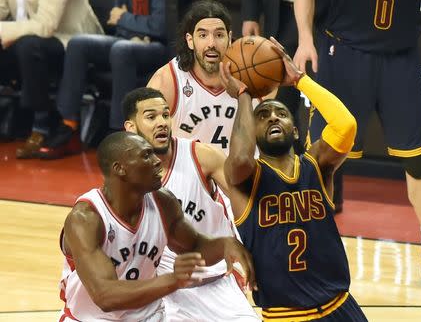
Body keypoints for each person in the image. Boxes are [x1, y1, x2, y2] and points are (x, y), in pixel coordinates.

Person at [294, 0, 421, 290]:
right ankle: (310, 247)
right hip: (343, 50)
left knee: (417, 159)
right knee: (322, 157)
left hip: (401, 57)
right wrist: (304, 38)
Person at [220, 36, 367, 321]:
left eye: (281, 114)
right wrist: (243, 97)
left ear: (295, 130)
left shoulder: (317, 166)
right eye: (263, 116)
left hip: (341, 307)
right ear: (252, 132)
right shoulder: (245, 178)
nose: (273, 118)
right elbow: (239, 159)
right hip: (286, 316)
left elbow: (346, 126)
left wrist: (300, 80)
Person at [58, 131, 255, 321]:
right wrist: (172, 280)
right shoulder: (86, 218)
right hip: (90, 318)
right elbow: (105, 296)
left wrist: (225, 245)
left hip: (149, 316)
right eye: (146, 156)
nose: (157, 161)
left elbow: (195, 247)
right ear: (120, 168)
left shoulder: (163, 202)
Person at [122, 86, 259, 321]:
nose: (162, 122)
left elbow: (251, 203)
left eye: (166, 114)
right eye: (151, 117)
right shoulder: (125, 174)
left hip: (217, 283)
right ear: (131, 127)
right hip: (166, 294)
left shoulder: (200, 156)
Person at [37, 0, 168, 159]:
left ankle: (119, 134)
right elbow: (114, 18)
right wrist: (126, 20)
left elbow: (159, 27)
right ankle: (69, 126)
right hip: (127, 39)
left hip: (159, 46)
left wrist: (124, 18)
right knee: (78, 44)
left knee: (121, 50)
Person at [147, 0, 259, 154]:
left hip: (245, 175)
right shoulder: (168, 80)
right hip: (190, 176)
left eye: (219, 35)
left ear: (229, 38)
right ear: (190, 40)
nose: (211, 43)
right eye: (203, 35)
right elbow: (140, 140)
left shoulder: (254, 75)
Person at [0, 0, 103, 158]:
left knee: (28, 46)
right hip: (32, 38)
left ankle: (40, 126)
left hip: (73, 40)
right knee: (23, 45)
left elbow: (46, 25)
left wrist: (4, 29)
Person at [241, 0, 303, 135]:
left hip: (324, 18)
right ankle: (290, 149)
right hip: (281, 14)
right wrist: (250, 15)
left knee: (322, 87)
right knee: (283, 98)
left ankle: (325, 151)